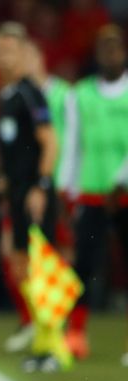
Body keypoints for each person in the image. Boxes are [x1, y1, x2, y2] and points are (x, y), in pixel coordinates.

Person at [0, 22, 58, 363]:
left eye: (10, 50)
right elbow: (10, 161)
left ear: (23, 53)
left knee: (41, 268)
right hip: (16, 192)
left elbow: (49, 142)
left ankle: (51, 345)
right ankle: (42, 338)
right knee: (21, 264)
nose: (4, 57)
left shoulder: (29, 92)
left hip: (32, 192)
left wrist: (41, 187)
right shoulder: (8, 95)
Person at [60, 24, 128, 361]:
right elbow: (72, 146)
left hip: (124, 193)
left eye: (115, 48)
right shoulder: (80, 95)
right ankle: (75, 334)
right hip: (90, 192)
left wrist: (122, 179)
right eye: (104, 48)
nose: (110, 54)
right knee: (83, 267)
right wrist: (65, 190)